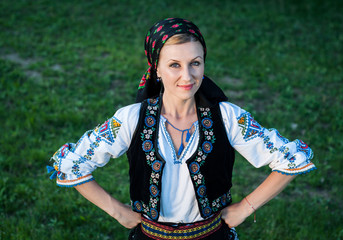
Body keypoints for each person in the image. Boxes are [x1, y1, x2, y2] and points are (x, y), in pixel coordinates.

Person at [48, 18, 316, 240]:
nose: (187, 76)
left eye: (195, 63)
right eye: (174, 65)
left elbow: (290, 159)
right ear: (157, 70)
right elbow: (73, 164)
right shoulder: (131, 118)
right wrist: (118, 211)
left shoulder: (227, 117)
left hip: (211, 235)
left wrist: (244, 209)